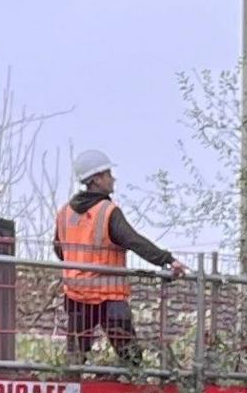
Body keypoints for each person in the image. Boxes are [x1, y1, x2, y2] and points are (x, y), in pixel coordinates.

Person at [56, 149, 180, 367]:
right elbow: (133, 240)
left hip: (75, 296)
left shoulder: (65, 212)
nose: (113, 179)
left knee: (75, 358)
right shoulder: (107, 211)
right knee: (130, 356)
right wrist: (167, 259)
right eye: (108, 174)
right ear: (96, 180)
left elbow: (59, 249)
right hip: (109, 297)